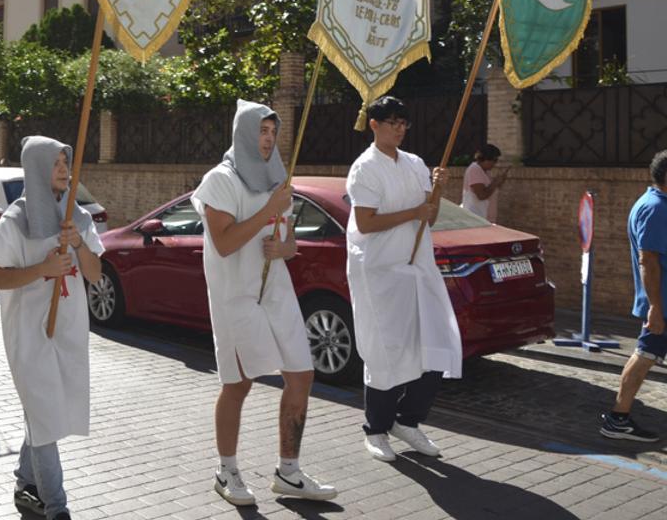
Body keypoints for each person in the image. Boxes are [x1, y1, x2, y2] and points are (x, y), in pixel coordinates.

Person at [192, 100, 336, 505]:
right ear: (243, 133)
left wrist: (285, 248)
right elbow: (223, 244)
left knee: (301, 375)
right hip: (234, 295)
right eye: (262, 131)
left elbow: (288, 241)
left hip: (276, 290)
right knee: (238, 384)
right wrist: (267, 213)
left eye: (273, 132)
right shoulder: (220, 180)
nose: (269, 139)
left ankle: (288, 473)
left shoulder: (278, 179)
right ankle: (227, 470)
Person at [0, 136, 103, 520]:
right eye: (56, 163)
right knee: (45, 413)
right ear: (36, 168)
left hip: (66, 330)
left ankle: (23, 480)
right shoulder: (16, 219)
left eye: (66, 161)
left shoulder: (76, 216)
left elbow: (95, 274)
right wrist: (42, 270)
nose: (65, 169)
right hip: (28, 333)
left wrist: (79, 244)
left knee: (46, 411)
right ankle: (57, 508)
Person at [346, 96, 461, 462]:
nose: (399, 127)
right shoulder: (364, 168)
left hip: (418, 267)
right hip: (379, 271)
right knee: (386, 350)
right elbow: (365, 223)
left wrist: (438, 188)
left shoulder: (415, 164)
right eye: (391, 121)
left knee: (433, 343)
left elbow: (430, 217)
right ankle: (376, 430)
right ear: (374, 124)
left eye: (403, 122)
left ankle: (408, 421)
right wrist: (413, 210)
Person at [600, 150, 667, 442]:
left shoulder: (655, 202)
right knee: (644, 355)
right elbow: (647, 260)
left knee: (645, 354)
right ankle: (617, 418)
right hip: (663, 303)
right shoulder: (655, 208)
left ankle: (618, 417)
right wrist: (655, 307)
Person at [460, 143, 508, 222]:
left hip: (484, 218)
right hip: (476, 218)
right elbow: (481, 195)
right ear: (485, 159)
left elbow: (491, 190)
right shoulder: (474, 170)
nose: (495, 164)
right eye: (494, 160)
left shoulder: (485, 171)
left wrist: (500, 180)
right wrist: (495, 182)